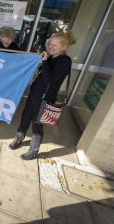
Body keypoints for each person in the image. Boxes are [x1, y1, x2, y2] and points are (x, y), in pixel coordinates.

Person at [9, 31, 76, 160]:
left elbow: (50, 80)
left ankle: (33, 151)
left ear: (63, 47)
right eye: (50, 44)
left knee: (37, 124)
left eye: (54, 45)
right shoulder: (51, 57)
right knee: (25, 117)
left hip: (45, 97)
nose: (50, 47)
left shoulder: (65, 61)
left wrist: (44, 62)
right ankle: (19, 138)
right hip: (35, 93)